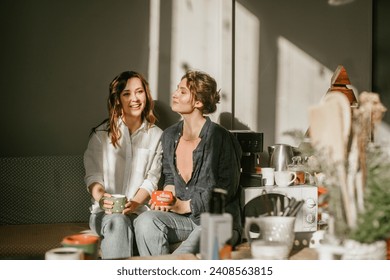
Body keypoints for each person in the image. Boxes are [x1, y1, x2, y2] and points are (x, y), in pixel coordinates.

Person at [134, 69, 242, 256]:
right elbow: (169, 178)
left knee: (181, 259)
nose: (175, 94)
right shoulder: (169, 135)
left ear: (198, 102)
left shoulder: (220, 137)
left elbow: (227, 188)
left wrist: (186, 206)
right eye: (177, 89)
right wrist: (166, 199)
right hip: (183, 220)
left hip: (216, 221)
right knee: (145, 221)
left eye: (182, 91)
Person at [83, 70, 163, 259]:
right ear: (118, 99)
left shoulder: (158, 136)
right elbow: (93, 178)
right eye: (127, 94)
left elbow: (152, 179)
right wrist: (103, 199)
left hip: (140, 212)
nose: (134, 99)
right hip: (104, 214)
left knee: (146, 224)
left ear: (146, 95)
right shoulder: (101, 135)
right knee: (118, 221)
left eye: (139, 92)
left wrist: (134, 204)